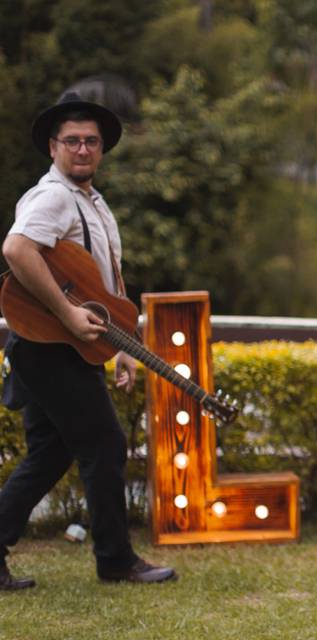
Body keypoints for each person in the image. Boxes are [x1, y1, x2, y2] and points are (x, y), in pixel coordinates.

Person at [0, 92, 176, 590]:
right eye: (72, 141)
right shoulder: (53, 196)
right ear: (53, 147)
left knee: (50, 454)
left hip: (61, 344)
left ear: (101, 150)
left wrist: (121, 345)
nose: (82, 150)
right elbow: (16, 248)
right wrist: (67, 314)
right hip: (48, 345)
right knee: (106, 442)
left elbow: (104, 288)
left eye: (91, 142)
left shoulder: (92, 204)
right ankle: (116, 561)